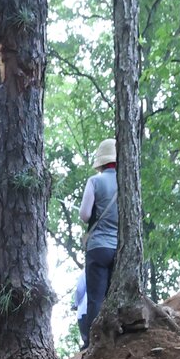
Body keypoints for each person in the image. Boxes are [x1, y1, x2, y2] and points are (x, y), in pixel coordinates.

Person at [79, 137, 119, 347]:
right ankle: (116, 339)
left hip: (97, 247)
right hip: (119, 248)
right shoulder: (126, 182)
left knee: (96, 298)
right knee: (114, 295)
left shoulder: (95, 181)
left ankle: (94, 342)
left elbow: (85, 215)